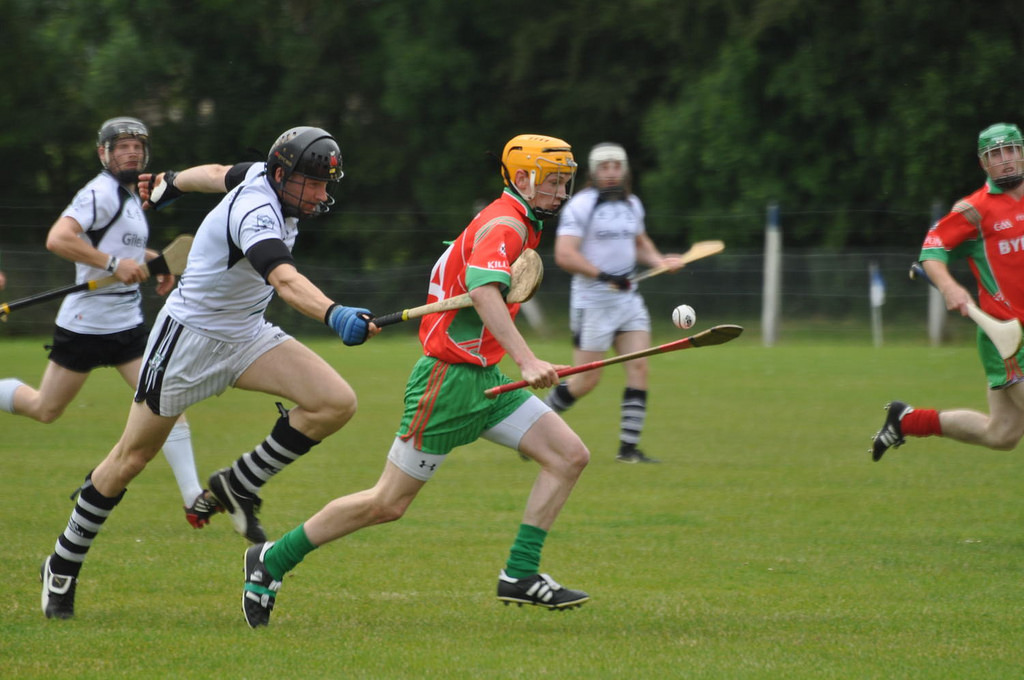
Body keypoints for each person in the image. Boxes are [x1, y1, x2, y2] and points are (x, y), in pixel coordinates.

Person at [238, 133, 591, 628]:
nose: (560, 191)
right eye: (553, 181)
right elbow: (486, 290)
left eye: (564, 181)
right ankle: (271, 559)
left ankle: (521, 573)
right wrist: (528, 359)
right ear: (524, 179)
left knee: (569, 455)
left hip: (482, 377)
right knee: (387, 503)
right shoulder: (507, 223)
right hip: (447, 383)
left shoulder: (518, 221)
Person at [39, 125, 378, 619]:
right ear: (283, 175)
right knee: (130, 459)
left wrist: (171, 182)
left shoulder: (267, 178)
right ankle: (63, 560)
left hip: (246, 335)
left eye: (328, 183)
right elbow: (284, 279)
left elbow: (217, 173)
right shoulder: (257, 211)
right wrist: (333, 313)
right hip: (187, 344)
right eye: (315, 182)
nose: (323, 194)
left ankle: (238, 482)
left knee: (335, 402)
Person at [0, 117, 215, 529]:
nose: (131, 152)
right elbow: (59, 239)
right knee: (46, 409)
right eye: (121, 146)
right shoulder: (99, 193)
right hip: (85, 323)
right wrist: (113, 265)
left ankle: (193, 497)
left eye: (137, 145)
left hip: (127, 324)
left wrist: (157, 264)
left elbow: (124, 249)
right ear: (104, 153)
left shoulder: (133, 197)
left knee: (165, 398)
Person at [872, 122, 1024, 461]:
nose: (1006, 160)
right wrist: (948, 286)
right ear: (984, 163)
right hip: (1011, 340)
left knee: (1002, 434)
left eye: (1011, 150)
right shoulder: (974, 210)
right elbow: (931, 252)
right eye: (995, 154)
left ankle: (907, 420)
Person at [542, 143, 683, 463]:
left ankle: (628, 450)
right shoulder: (581, 206)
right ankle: (536, 425)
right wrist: (604, 276)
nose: (610, 173)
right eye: (603, 167)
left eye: (615, 166)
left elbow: (639, 244)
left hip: (628, 300)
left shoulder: (632, 204)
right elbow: (565, 255)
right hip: (592, 302)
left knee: (639, 366)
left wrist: (661, 261)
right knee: (586, 380)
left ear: (624, 170)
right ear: (594, 172)